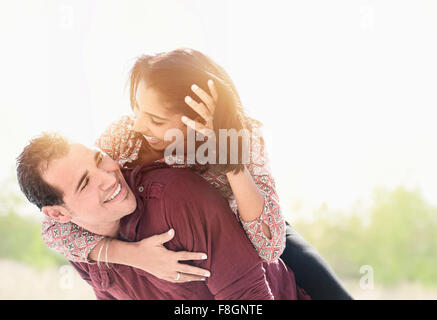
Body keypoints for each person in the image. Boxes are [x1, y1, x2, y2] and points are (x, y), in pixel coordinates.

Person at [40, 48, 352, 299]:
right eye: (137, 109)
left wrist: (231, 161)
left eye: (156, 119)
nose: (138, 125)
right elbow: (56, 228)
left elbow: (267, 246)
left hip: (256, 227)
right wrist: (134, 255)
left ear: (195, 118)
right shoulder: (125, 135)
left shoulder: (244, 140)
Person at [16, 133, 311, 300]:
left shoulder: (173, 198)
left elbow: (249, 299)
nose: (107, 176)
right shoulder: (78, 247)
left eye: (98, 160)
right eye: (84, 183)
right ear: (58, 213)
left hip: (270, 237)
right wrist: (130, 255)